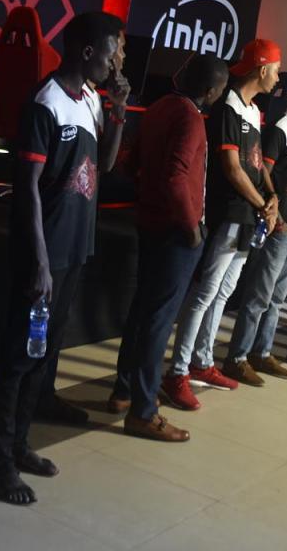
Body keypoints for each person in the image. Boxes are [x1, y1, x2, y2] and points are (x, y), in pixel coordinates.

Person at [0, 11, 129, 505]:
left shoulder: (90, 99)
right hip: (44, 253)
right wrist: (40, 262)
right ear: (87, 51)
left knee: (41, 354)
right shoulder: (45, 102)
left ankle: (19, 445)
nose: (116, 61)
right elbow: (27, 189)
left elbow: (104, 165)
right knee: (18, 357)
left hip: (74, 249)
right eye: (112, 51)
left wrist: (119, 112)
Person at [107, 54, 230, 440]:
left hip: (151, 224)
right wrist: (191, 226)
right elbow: (177, 177)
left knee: (143, 313)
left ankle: (124, 391)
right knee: (158, 321)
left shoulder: (160, 106)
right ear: (211, 90)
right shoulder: (191, 118)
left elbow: (131, 163)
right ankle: (144, 412)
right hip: (176, 232)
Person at [161, 40, 280, 409]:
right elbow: (231, 168)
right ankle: (177, 371)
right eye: (276, 70)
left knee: (224, 291)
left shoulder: (253, 111)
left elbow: (256, 164)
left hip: (249, 215)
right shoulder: (228, 107)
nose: (278, 79)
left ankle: (202, 361)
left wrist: (272, 197)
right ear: (263, 69)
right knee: (206, 292)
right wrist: (263, 204)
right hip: (229, 213)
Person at [223, 73, 287, 386]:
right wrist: (277, 212)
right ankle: (237, 358)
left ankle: (262, 352)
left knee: (277, 298)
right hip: (278, 229)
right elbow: (264, 171)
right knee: (259, 296)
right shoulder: (281, 128)